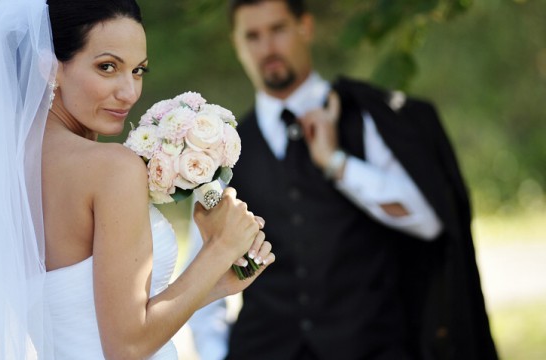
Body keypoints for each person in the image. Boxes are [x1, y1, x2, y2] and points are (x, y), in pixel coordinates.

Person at [0, 0, 274, 359]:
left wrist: (216, 284)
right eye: (107, 67)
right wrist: (220, 248)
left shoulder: (3, 169)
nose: (129, 92)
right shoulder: (112, 169)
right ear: (51, 68)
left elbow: (82, 313)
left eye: (138, 70)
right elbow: (127, 347)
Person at [186, 0, 497, 359]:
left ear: (306, 27)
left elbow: (427, 222)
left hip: (373, 348)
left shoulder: (365, 120)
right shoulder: (222, 149)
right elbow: (201, 277)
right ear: (237, 45)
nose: (267, 48)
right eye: (252, 36)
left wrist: (337, 163)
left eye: (278, 30)